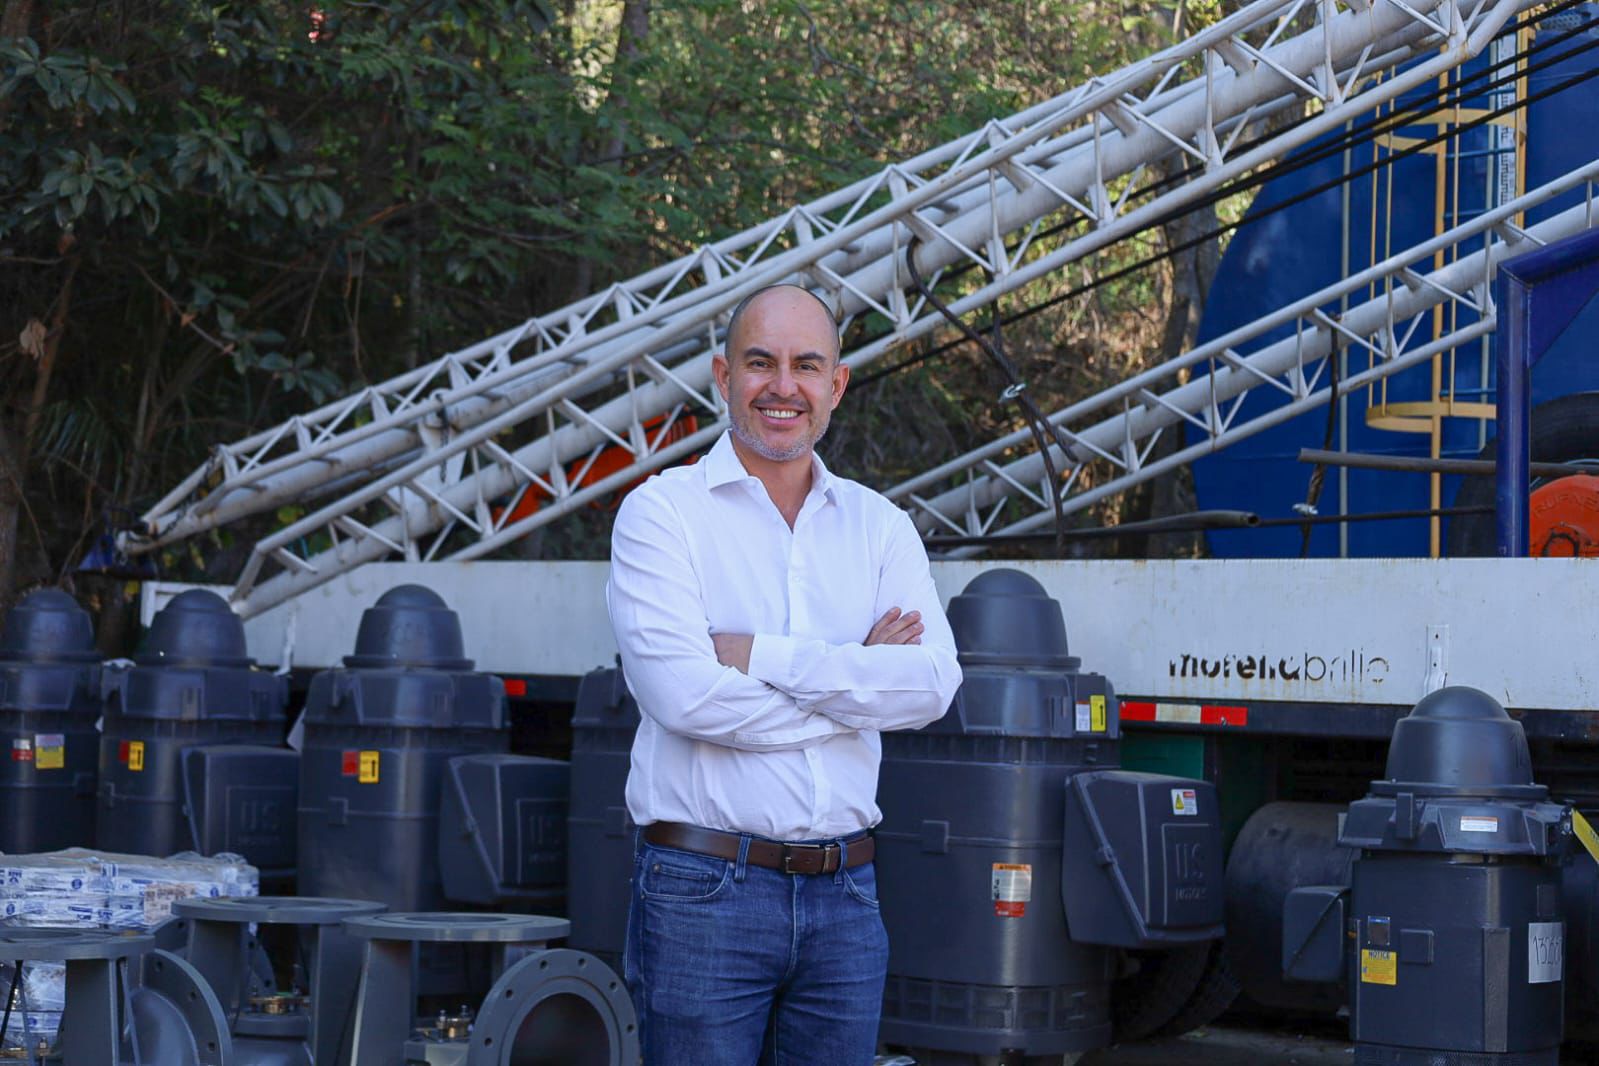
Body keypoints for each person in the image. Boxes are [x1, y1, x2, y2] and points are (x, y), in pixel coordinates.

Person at [606, 283, 963, 1065]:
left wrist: (761, 657)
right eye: (759, 361)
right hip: (703, 888)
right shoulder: (662, 515)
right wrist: (859, 683)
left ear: (836, 383)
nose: (782, 386)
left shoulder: (880, 527)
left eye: (806, 365)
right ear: (722, 376)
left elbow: (932, 685)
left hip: (847, 895)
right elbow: (685, 699)